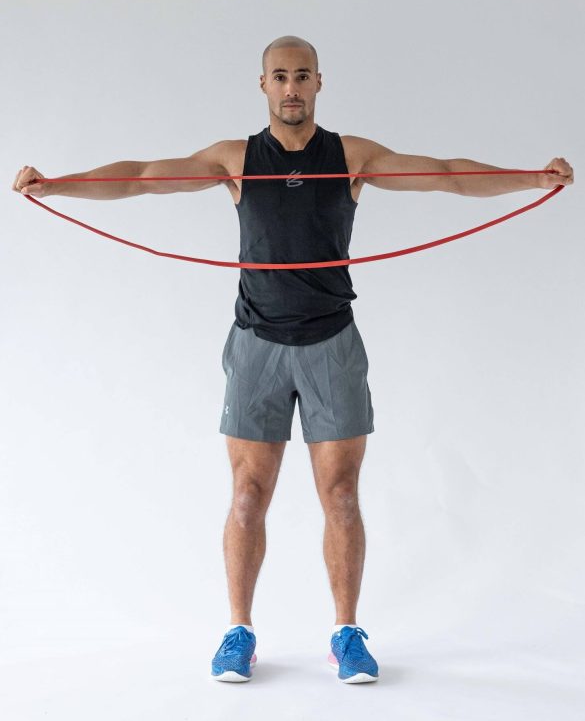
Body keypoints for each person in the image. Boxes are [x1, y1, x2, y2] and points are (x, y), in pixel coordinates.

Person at [12, 35, 574, 685]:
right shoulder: (235, 160)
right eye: (279, 76)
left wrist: (531, 178)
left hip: (332, 343)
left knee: (339, 495)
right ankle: (238, 633)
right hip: (255, 344)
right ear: (262, 85)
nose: (291, 88)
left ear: (317, 83)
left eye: (301, 76)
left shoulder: (350, 157)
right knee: (248, 496)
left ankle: (346, 633)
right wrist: (57, 186)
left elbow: (444, 173)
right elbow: (142, 177)